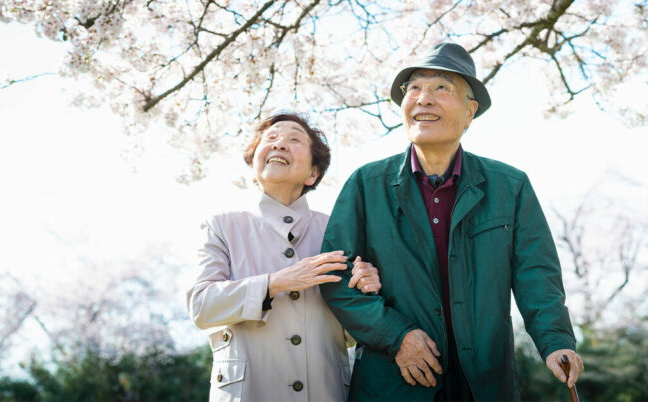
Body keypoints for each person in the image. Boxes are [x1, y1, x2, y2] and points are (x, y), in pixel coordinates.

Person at [319, 42, 584, 401]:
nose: (423, 99)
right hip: (393, 383)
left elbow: (536, 276)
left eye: (441, 87)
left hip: (485, 384)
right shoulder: (366, 185)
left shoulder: (510, 186)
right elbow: (335, 278)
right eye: (414, 88)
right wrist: (397, 336)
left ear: (470, 111)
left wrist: (556, 343)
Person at [188, 112, 382, 402]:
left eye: (294, 139)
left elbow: (354, 331)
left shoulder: (339, 229)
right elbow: (201, 306)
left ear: (313, 173)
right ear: (253, 165)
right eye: (271, 138)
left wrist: (369, 288)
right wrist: (275, 282)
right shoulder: (222, 225)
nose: (280, 144)